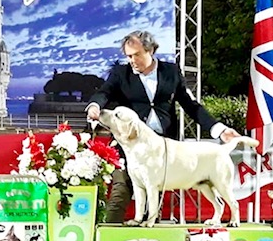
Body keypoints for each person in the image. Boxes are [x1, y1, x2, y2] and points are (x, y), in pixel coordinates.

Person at [86, 30, 240, 224]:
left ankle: (149, 236)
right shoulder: (120, 74)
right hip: (128, 145)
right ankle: (109, 236)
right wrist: (95, 105)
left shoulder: (171, 72)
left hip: (162, 150)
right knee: (121, 190)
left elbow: (191, 106)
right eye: (128, 56)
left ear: (150, 50)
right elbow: (104, 92)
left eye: (136, 55)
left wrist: (219, 130)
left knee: (153, 195)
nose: (132, 60)